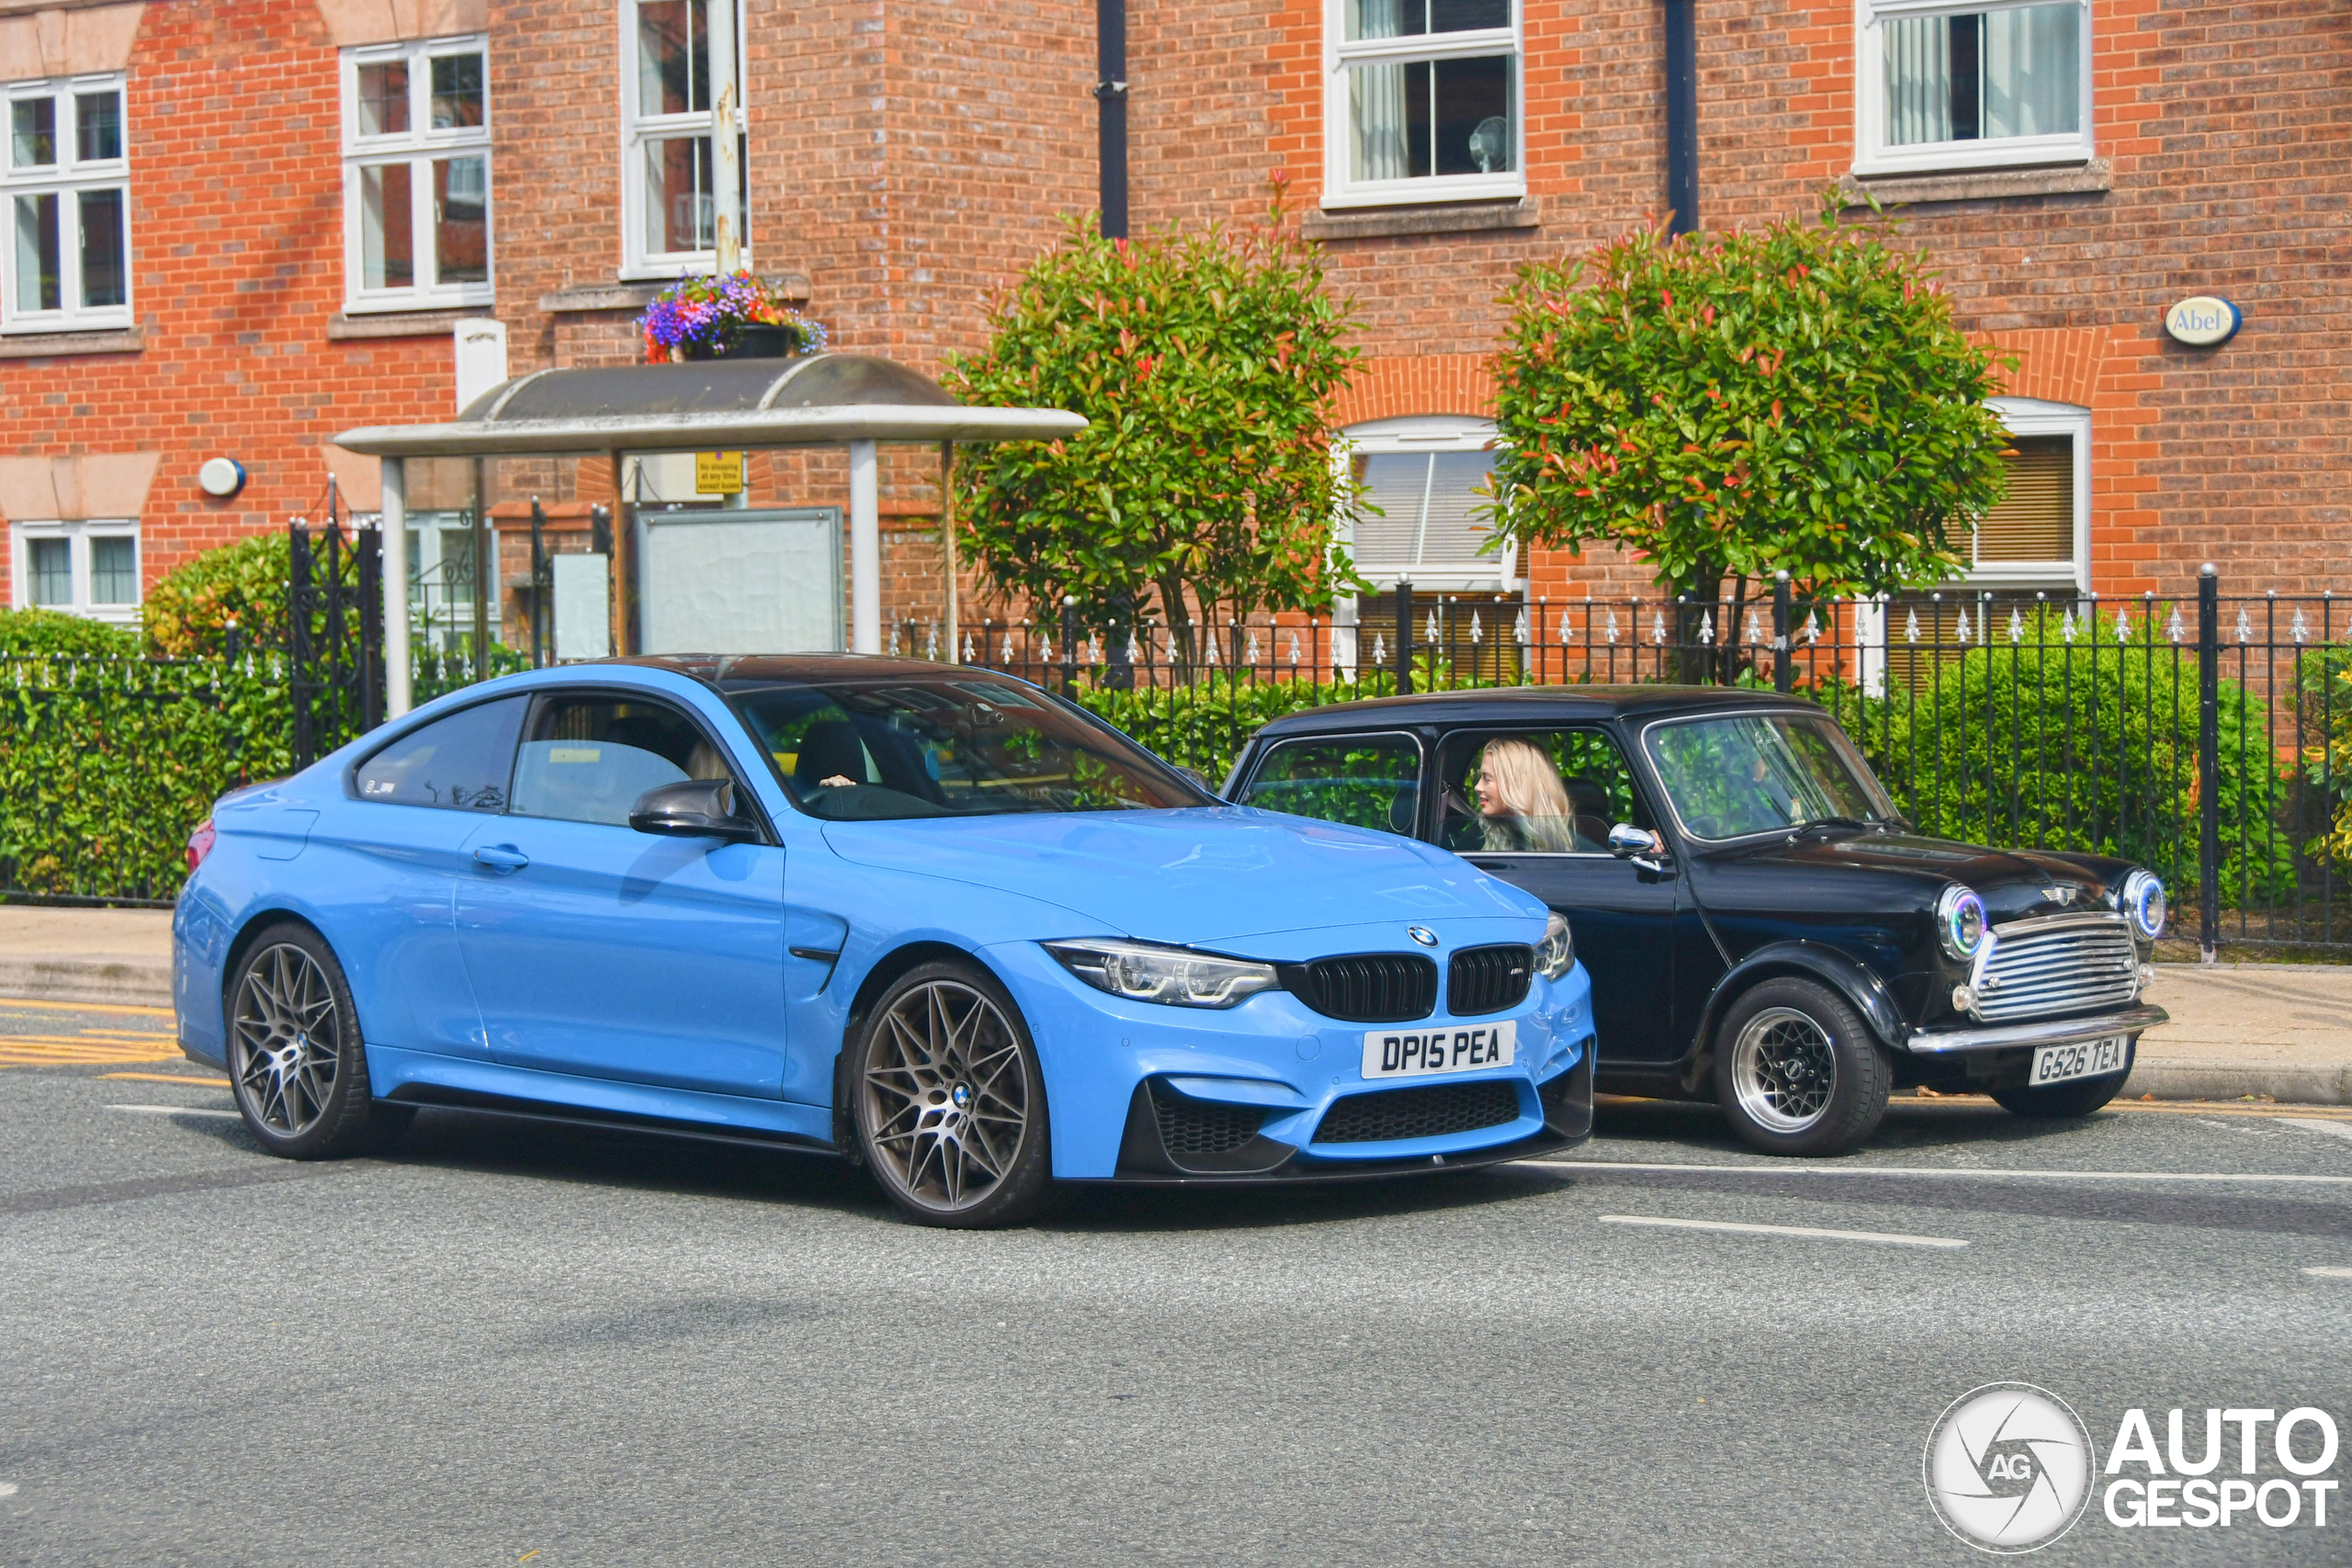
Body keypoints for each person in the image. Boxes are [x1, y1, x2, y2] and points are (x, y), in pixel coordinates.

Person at [1473, 738, 1580, 853]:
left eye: (1487, 779)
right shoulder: (1479, 833)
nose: (1477, 787)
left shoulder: (1575, 850)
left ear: (1517, 784)